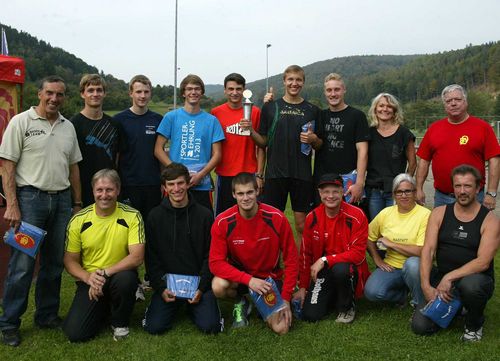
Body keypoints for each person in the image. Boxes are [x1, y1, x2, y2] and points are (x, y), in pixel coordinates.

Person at [0, 76, 82, 347]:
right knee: (22, 265)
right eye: (49, 93)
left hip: (61, 202)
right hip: (30, 200)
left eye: (59, 94)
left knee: (54, 264)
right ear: (39, 93)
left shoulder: (67, 126)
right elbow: (7, 165)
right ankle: (10, 322)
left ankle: (46, 315)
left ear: (64, 97)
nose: (54, 99)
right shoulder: (21, 122)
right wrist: (12, 204)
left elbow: (74, 168)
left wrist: (77, 203)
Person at [412, 165, 499, 342]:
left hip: (475, 280)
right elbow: (427, 250)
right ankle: (458, 308)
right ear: (453, 188)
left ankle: (474, 324)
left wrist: (450, 277)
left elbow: (483, 262)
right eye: (458, 186)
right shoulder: (439, 213)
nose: (462, 191)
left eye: (467, 186)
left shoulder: (490, 220)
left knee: (471, 286)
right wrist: (426, 287)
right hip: (443, 281)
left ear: (477, 188)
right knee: (420, 327)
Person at [209, 172, 298, 335]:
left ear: (257, 191)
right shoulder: (223, 222)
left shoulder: (277, 218)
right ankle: (241, 301)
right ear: (233, 194)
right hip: (241, 279)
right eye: (240, 193)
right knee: (218, 286)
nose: (245, 198)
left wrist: (285, 298)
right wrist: (249, 280)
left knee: (282, 328)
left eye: (249, 192)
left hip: (268, 280)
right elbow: (215, 263)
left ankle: (263, 304)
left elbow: (292, 260)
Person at [63, 169, 145, 342]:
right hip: (91, 279)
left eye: (109, 189)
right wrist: (88, 277)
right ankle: (104, 307)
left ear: (118, 190)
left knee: (126, 281)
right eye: (99, 190)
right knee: (76, 334)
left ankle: (120, 322)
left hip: (118, 275)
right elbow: (70, 261)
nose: (104, 195)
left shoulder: (132, 216)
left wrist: (104, 273)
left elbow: (137, 257)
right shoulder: (79, 220)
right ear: (93, 191)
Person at [142, 163, 222, 334]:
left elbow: (211, 255)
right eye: (171, 184)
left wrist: (202, 287)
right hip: (168, 286)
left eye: (180, 183)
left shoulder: (205, 216)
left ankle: (195, 307)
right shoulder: (155, 217)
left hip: (198, 284)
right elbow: (151, 257)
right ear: (164, 187)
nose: (176, 189)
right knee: (154, 327)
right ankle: (171, 305)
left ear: (188, 184)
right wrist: (161, 288)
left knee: (211, 326)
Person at [243, 65, 320, 240]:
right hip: (275, 174)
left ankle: (303, 267)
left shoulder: (313, 110)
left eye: (298, 80)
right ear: (284, 81)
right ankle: (272, 265)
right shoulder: (270, 107)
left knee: (302, 225)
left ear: (303, 82)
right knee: (271, 224)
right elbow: (263, 142)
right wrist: (251, 131)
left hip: (302, 175)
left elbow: (319, 145)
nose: (294, 83)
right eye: (290, 79)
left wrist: (314, 139)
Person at [294, 173, 370, 324]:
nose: (331, 196)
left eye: (335, 191)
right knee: (310, 315)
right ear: (320, 193)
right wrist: (302, 286)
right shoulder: (312, 217)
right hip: (324, 272)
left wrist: (325, 259)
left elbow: (358, 254)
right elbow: (305, 255)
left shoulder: (357, 215)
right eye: (326, 192)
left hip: (347, 269)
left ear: (343, 192)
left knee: (341, 269)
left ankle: (347, 307)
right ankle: (333, 296)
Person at [416, 84, 500, 209]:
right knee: (442, 228)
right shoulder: (434, 129)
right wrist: (418, 188)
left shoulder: (482, 128)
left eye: (457, 99)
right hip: (442, 198)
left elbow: (495, 160)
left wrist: (491, 193)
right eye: (449, 101)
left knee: (476, 229)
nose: (453, 103)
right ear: (445, 106)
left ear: (466, 102)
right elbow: (424, 161)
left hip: (475, 197)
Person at [154, 74, 224, 211]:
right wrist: (177, 172)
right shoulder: (171, 117)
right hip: (176, 184)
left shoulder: (212, 121)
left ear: (202, 92)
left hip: (201, 184)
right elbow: (158, 149)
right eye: (189, 89)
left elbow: (217, 154)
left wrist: (201, 174)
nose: (193, 92)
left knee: (203, 224)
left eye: (197, 89)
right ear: (183, 93)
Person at [364, 174, 430, 307]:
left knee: (412, 264)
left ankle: (419, 303)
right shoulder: (386, 213)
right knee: (372, 292)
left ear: (415, 192)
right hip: (392, 266)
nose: (403, 195)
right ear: (394, 195)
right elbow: (367, 236)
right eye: (399, 192)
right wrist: (377, 259)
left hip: (417, 267)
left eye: (408, 191)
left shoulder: (425, 215)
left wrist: (392, 244)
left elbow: (422, 251)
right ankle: (402, 295)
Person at [211, 73, 265, 215]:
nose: (234, 93)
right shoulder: (216, 113)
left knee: (251, 215)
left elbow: (262, 146)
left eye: (238, 89)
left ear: (244, 90)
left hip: (249, 172)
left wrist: (259, 174)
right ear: (225, 90)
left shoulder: (254, 112)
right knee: (223, 217)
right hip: (224, 173)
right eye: (231, 89)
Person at [314, 73, 370, 204]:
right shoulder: (320, 116)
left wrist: (359, 183)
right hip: (324, 181)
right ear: (325, 92)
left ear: (344, 90)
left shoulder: (357, 116)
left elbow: (363, 151)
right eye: (329, 90)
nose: (333, 94)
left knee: (351, 221)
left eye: (337, 89)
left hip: (348, 181)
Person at [114, 75, 163, 221]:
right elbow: (116, 155)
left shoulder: (158, 120)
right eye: (138, 92)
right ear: (131, 93)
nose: (142, 96)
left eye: (146, 92)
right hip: (128, 184)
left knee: (151, 226)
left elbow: (161, 152)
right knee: (129, 227)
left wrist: (163, 181)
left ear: (150, 93)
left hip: (153, 184)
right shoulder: (119, 120)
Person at [71, 74, 121, 207]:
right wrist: (77, 200)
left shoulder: (114, 124)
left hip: (108, 192)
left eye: (99, 90)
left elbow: (117, 157)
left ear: (104, 93)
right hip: (83, 191)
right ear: (82, 94)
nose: (95, 94)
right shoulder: (72, 125)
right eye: (90, 90)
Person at [365, 93, 416, 220]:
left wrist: (405, 185)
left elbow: (413, 163)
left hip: (395, 192)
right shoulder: (368, 133)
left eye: (389, 106)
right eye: (381, 105)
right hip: (374, 190)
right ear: (375, 109)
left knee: (394, 227)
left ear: (394, 110)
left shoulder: (404, 133)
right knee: (375, 227)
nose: (385, 109)